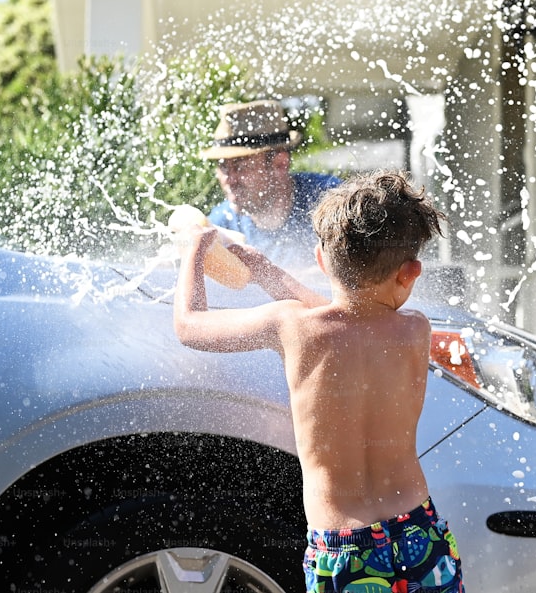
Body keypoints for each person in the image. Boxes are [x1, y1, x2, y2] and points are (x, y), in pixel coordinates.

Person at [174, 170, 464, 592]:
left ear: (322, 260)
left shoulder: (292, 327)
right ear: (411, 272)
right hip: (420, 535)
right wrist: (263, 270)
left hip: (345, 549)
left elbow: (189, 325)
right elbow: (351, 316)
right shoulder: (416, 330)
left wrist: (194, 250)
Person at [199, 99, 341, 266]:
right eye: (223, 167)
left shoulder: (331, 201)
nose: (229, 179)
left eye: (240, 167)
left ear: (280, 164)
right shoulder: (221, 225)